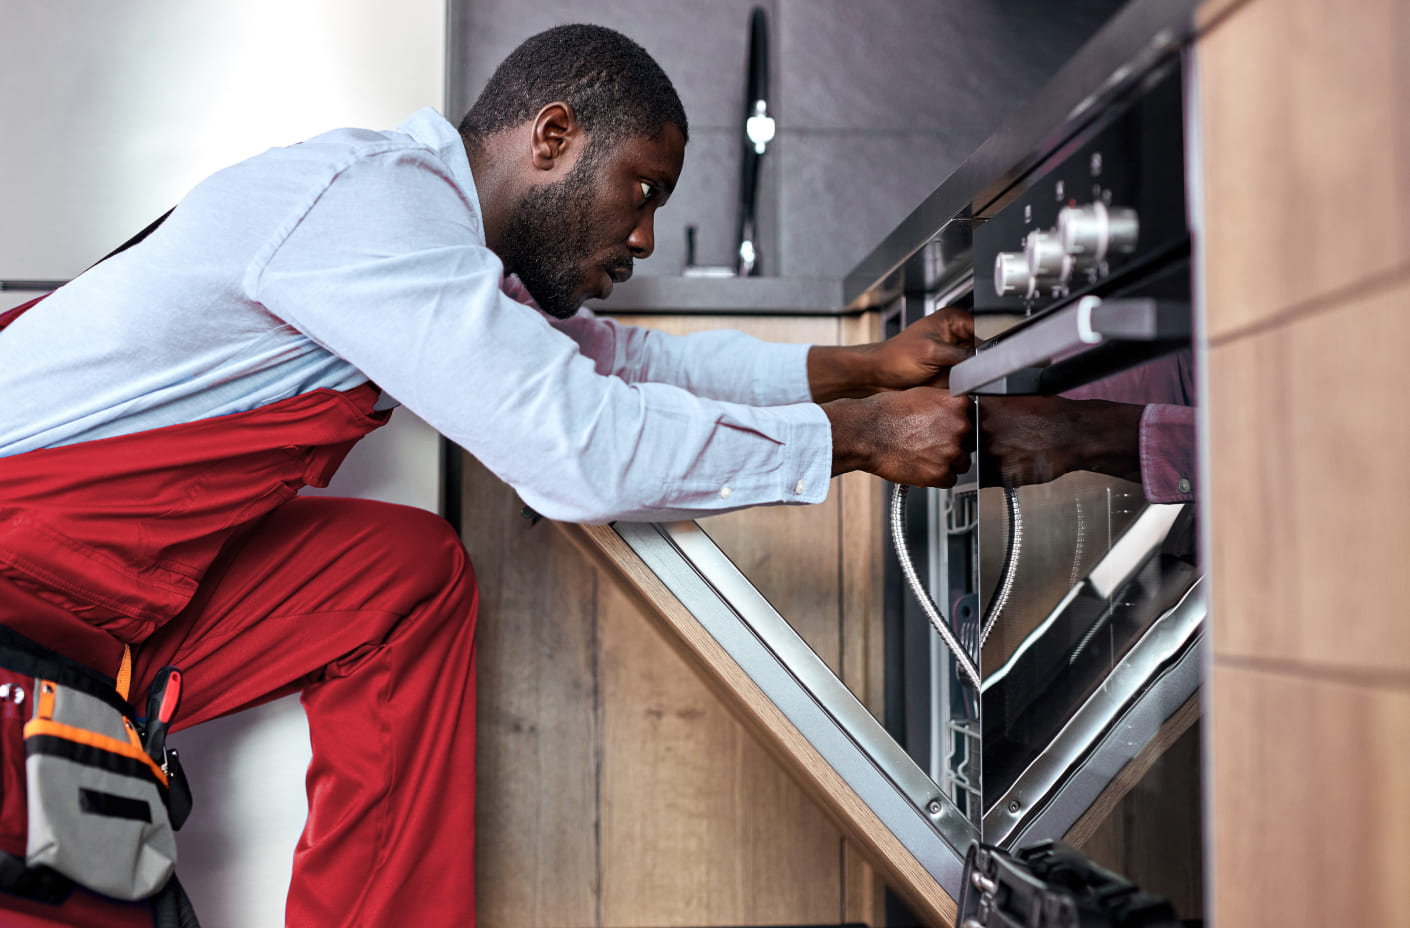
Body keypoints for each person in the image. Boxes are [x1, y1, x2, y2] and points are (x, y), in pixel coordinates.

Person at [0, 24, 973, 928]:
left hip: (99, 586)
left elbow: (624, 366)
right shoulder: (373, 207)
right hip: (24, 580)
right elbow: (579, 449)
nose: (641, 238)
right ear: (553, 136)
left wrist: (863, 372)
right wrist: (857, 439)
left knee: (400, 577)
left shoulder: (435, 240)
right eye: (642, 190)